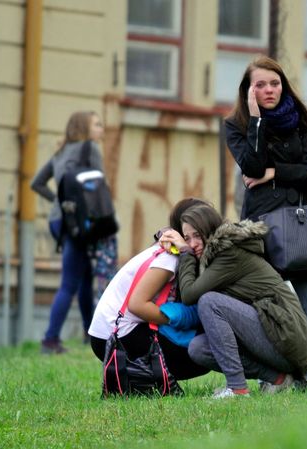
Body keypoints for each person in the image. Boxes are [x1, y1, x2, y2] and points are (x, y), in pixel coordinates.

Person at [224, 55, 307, 389]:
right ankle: (272, 378)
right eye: (261, 85)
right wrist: (256, 120)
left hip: (304, 228)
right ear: (248, 91)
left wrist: (275, 172)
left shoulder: (301, 122)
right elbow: (252, 166)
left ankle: (305, 380)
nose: (269, 90)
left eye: (275, 83)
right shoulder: (236, 125)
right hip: (263, 231)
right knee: (265, 312)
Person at [158, 204, 307, 398]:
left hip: (285, 336)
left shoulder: (229, 253)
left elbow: (189, 295)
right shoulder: (214, 256)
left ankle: (237, 389)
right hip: (272, 334)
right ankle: (278, 378)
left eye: (197, 235)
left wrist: (185, 252)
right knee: (199, 348)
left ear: (210, 229)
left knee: (210, 302)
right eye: (187, 238)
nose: (193, 244)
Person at [87, 201, 211, 382]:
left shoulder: (172, 252)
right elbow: (137, 305)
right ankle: (143, 378)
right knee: (198, 356)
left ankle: (141, 380)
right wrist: (176, 319)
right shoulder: (169, 258)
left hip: (112, 332)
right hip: (112, 337)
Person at [31, 111, 111, 354]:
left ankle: (90, 333)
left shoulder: (60, 152)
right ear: (84, 128)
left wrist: (59, 201)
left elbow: (36, 183)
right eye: (97, 124)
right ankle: (50, 339)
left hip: (59, 221)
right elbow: (98, 188)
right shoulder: (91, 149)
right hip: (80, 223)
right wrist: (104, 224)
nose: (101, 129)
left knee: (83, 275)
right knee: (69, 282)